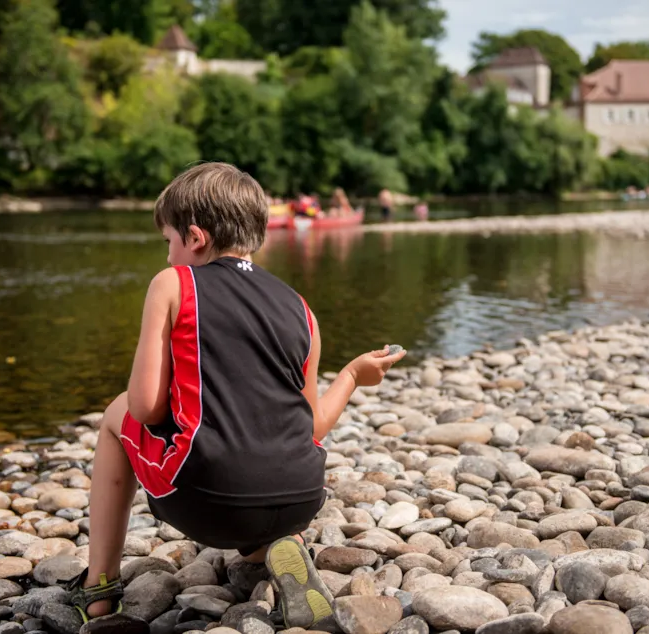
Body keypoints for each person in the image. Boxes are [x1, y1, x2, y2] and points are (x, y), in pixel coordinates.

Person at [71, 162, 406, 627]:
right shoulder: (300, 307)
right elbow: (312, 426)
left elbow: (147, 407)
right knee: (257, 445)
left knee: (116, 415)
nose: (169, 257)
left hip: (208, 501)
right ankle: (274, 545)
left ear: (194, 237)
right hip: (299, 500)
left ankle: (99, 589)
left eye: (169, 242)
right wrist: (351, 374)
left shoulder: (172, 284)